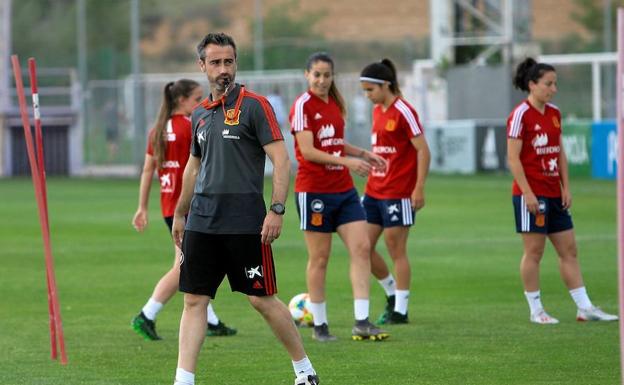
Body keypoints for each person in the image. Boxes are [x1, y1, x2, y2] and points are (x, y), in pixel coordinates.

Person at [171, 33, 319, 385]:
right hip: (203, 221)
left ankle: (305, 371)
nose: (224, 69)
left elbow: (282, 161)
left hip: (244, 223)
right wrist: (180, 212)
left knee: (262, 300)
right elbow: (193, 166)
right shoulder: (200, 114)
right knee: (194, 301)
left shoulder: (255, 106)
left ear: (236, 63)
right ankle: (183, 380)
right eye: (216, 62)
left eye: (229, 62)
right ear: (202, 66)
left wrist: (277, 209)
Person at [507, 57, 618, 324]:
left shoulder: (554, 114)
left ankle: (585, 308)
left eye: (555, 84)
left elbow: (559, 153)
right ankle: (536, 310)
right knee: (534, 252)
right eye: (548, 84)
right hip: (531, 195)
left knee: (569, 250)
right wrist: (528, 194)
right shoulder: (520, 115)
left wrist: (565, 186)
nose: (553, 89)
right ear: (532, 85)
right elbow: (513, 159)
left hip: (554, 194)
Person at [289, 51, 389, 342]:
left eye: (327, 75)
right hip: (314, 191)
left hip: (343, 190)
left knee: (361, 247)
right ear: (307, 75)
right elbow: (307, 151)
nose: (322, 80)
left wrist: (361, 153)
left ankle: (362, 321)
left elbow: (333, 143)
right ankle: (320, 326)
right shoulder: (302, 106)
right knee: (320, 258)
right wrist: (350, 162)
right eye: (317, 74)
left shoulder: (334, 103)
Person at [131, 79, 237, 340]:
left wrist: (142, 207)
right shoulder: (191, 126)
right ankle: (147, 314)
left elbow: (147, 170)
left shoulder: (156, 130)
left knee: (194, 263)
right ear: (181, 100)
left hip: (169, 205)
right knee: (185, 267)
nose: (200, 103)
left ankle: (210, 321)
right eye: (196, 98)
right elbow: (201, 165)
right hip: (188, 206)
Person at [359, 58, 431, 325]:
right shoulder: (378, 110)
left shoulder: (404, 110)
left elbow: (423, 150)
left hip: (399, 192)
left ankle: (401, 309)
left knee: (395, 248)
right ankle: (390, 293)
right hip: (374, 190)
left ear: (385, 85)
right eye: (365, 91)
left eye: (370, 90)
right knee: (362, 246)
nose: (367, 96)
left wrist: (418, 188)